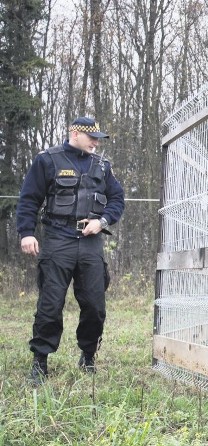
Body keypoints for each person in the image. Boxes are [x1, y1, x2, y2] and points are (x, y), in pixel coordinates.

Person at [16, 116, 125, 385]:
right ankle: (40, 360)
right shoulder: (48, 160)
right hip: (57, 240)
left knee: (94, 306)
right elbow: (29, 198)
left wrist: (101, 222)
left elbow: (117, 199)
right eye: (92, 138)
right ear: (74, 133)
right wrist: (27, 232)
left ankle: (88, 356)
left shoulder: (102, 166)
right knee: (50, 304)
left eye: (99, 139)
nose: (96, 143)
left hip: (90, 244)